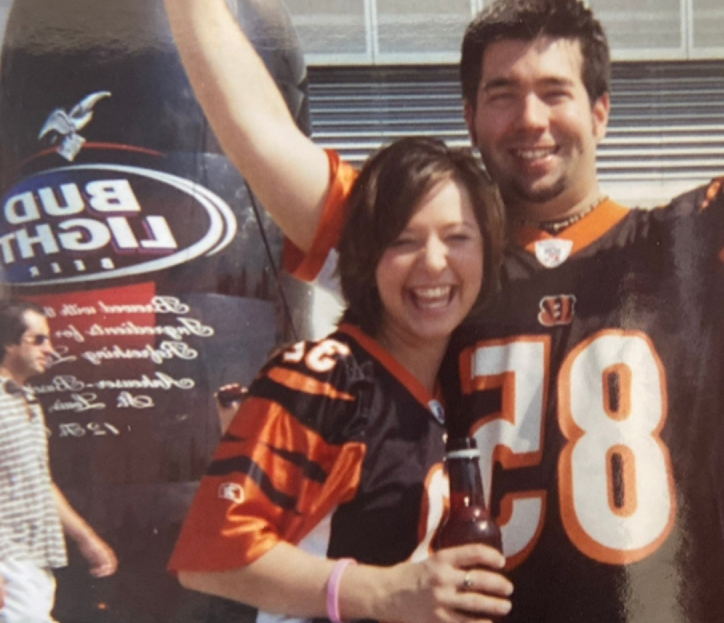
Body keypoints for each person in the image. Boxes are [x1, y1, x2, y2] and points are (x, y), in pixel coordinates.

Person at [142, 0, 724, 617]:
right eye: (502, 93)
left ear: (600, 110)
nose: (530, 118)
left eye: (555, 91)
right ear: (469, 115)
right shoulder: (441, 259)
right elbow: (260, 137)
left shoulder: (703, 244)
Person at [169, 138, 515, 623]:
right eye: (403, 241)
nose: (434, 262)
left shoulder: (451, 383)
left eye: (458, 237)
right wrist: (378, 592)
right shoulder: (325, 375)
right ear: (365, 257)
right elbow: (211, 556)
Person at [0, 300, 118, 623]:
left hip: (35, 556)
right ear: (8, 342)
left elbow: (41, 482)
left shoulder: (29, 404)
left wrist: (86, 539)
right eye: (39, 339)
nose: (50, 349)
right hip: (2, 556)